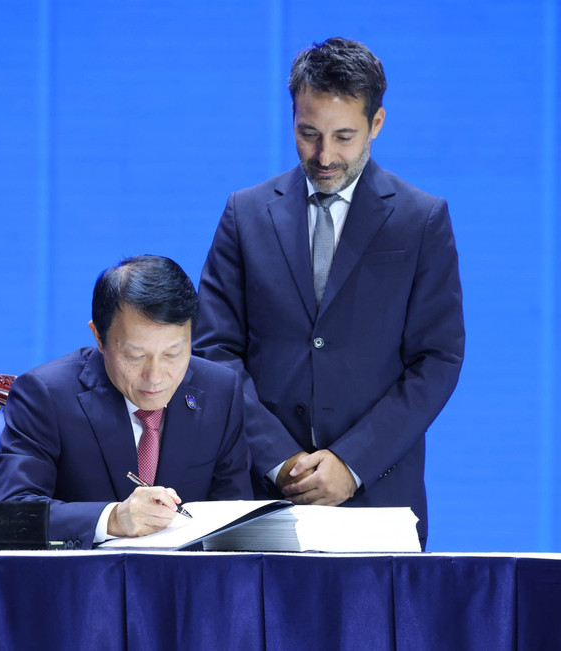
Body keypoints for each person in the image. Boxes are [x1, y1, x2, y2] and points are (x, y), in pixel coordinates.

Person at [193, 38, 464, 546]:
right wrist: (281, 459)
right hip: (258, 494)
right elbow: (214, 351)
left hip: (379, 494)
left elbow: (438, 359)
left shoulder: (421, 220)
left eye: (344, 136)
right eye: (308, 134)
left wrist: (352, 463)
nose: (325, 155)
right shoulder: (245, 214)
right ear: (292, 116)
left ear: (376, 124)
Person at [0, 255, 252, 549]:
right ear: (98, 337)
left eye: (173, 354)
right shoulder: (45, 395)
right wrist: (112, 518)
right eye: (134, 356)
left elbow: (236, 516)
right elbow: (8, 515)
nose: (154, 377)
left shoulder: (220, 389)